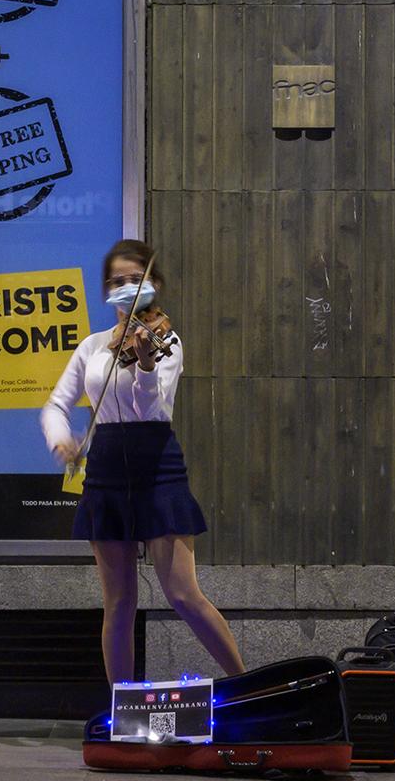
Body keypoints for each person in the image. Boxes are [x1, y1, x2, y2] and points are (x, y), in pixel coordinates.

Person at [43, 240, 245, 688]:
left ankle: (247, 684)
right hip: (108, 464)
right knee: (118, 602)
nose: (126, 287)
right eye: (117, 281)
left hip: (156, 462)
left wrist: (147, 365)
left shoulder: (165, 339)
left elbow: (147, 408)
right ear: (105, 291)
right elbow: (56, 405)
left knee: (183, 594)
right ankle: (123, 708)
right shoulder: (92, 347)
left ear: (153, 285)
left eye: (136, 279)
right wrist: (63, 441)